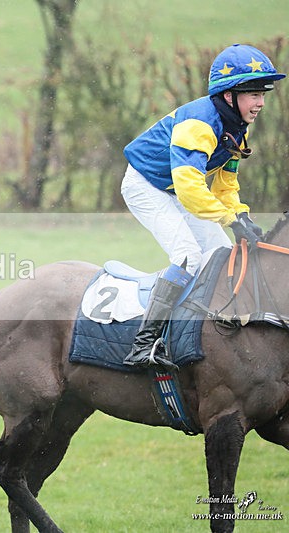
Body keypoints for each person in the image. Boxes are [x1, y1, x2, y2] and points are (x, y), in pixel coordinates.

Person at [120, 43, 285, 368]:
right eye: (254, 94)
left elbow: (225, 185)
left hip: (176, 191)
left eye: (263, 94)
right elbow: (189, 187)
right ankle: (143, 343)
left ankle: (206, 331)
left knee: (220, 254)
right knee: (187, 256)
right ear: (229, 95)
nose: (261, 103)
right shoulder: (199, 124)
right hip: (145, 186)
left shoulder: (237, 128)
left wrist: (240, 215)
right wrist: (228, 218)